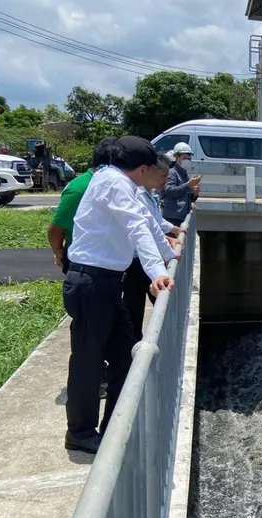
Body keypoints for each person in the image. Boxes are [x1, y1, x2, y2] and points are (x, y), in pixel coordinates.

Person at [63, 136, 174, 455]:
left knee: (127, 355)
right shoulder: (114, 183)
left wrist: (168, 254)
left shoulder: (124, 184)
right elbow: (137, 226)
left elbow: (149, 225)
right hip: (91, 282)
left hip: (108, 283)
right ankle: (81, 432)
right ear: (142, 168)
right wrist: (158, 273)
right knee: (88, 361)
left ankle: (114, 426)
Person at [123, 154, 186, 341]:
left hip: (145, 259)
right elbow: (146, 229)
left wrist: (173, 233)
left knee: (157, 301)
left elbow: (155, 222)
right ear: (149, 171)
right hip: (136, 260)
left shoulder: (150, 194)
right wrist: (168, 248)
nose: (165, 182)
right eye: (163, 177)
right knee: (135, 307)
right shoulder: (137, 194)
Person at [48, 138, 117, 274]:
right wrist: (58, 252)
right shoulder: (80, 188)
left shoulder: (118, 184)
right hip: (86, 264)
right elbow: (57, 227)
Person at [162, 142, 201, 227]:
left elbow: (187, 197)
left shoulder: (185, 174)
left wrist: (194, 194)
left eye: (189, 159)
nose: (187, 161)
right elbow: (169, 191)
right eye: (185, 158)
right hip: (172, 218)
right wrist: (188, 185)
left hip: (182, 217)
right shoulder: (172, 173)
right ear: (176, 157)